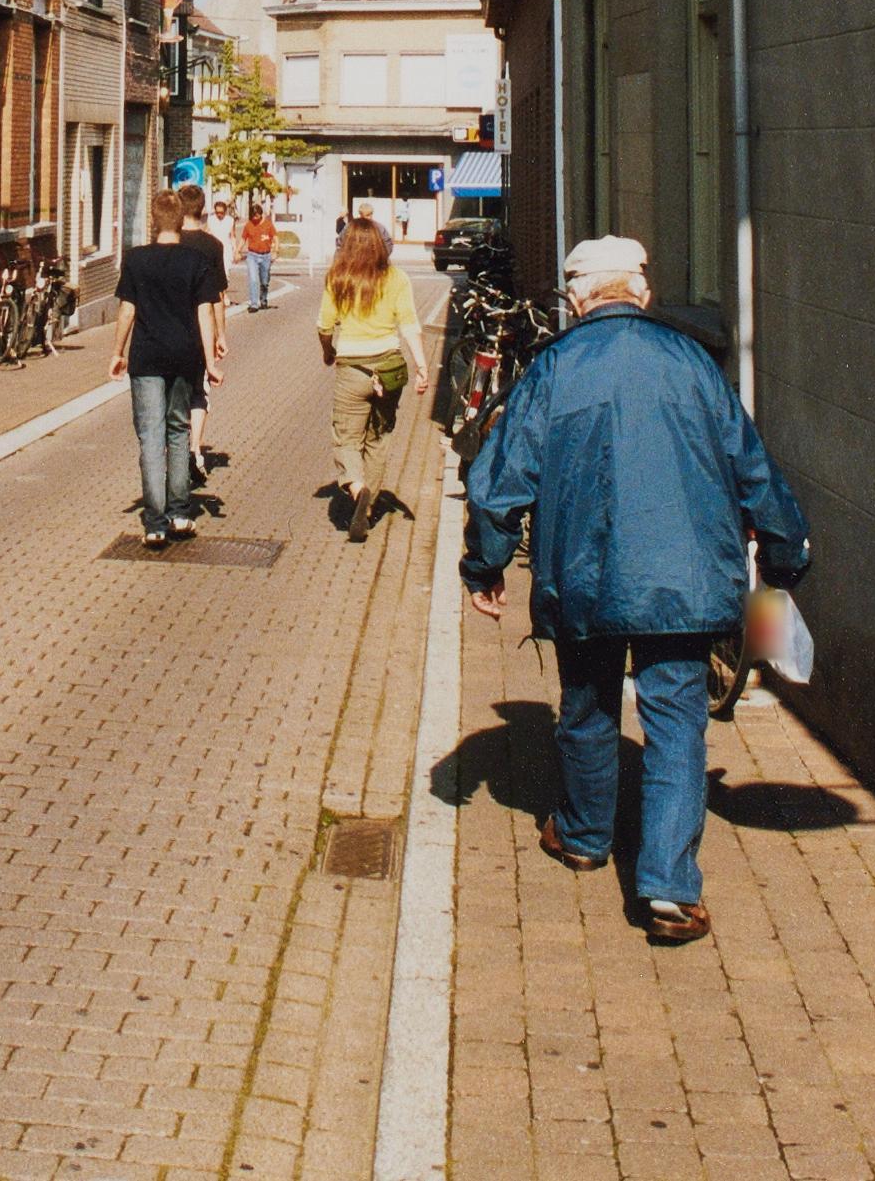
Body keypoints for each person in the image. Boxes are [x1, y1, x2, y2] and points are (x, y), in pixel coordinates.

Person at [461, 234, 811, 946]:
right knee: (676, 723)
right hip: (683, 579)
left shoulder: (552, 367)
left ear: (576, 299)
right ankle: (669, 890)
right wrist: (783, 555)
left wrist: (485, 565)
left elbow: (500, 480)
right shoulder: (692, 362)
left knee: (587, 706)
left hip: (585, 575)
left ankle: (584, 836)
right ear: (642, 292)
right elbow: (751, 464)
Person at [111, 189, 225, 548]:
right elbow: (205, 313)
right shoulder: (196, 260)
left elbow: (127, 310)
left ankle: (155, 523)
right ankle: (179, 513)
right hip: (185, 357)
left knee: (150, 436)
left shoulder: (136, 259)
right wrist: (210, 363)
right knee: (178, 430)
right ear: (180, 220)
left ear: (153, 221)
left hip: (147, 357)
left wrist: (117, 351)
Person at [316, 217, 428, 540]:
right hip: (389, 369)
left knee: (347, 437)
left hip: (353, 369)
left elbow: (324, 326)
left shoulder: (338, 277)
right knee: (379, 437)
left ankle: (356, 485)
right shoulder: (397, 277)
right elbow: (410, 325)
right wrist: (421, 366)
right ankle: (368, 507)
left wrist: (328, 351)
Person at [178, 182, 230, 484]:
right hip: (201, 331)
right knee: (199, 392)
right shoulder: (212, 246)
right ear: (203, 209)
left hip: (169, 327)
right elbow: (217, 296)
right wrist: (221, 334)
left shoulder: (167, 242)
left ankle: (174, 449)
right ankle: (195, 448)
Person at [241, 198, 277, 313]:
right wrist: (237, 250)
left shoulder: (268, 225)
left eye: (257, 216)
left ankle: (263, 299)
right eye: (253, 216)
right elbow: (243, 239)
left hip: (266, 255)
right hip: (252, 255)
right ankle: (254, 304)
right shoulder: (248, 225)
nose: (255, 218)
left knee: (264, 282)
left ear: (261, 214)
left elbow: (275, 238)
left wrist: (275, 251)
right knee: (253, 279)